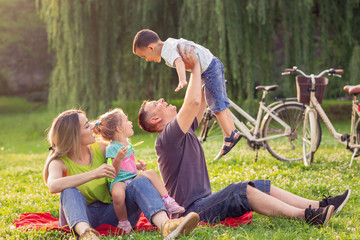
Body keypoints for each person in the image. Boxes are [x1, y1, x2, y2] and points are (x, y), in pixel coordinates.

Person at [137, 45, 351, 227]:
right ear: (155, 120)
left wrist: (205, 66)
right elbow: (191, 102)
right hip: (191, 213)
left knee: (259, 185)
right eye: (157, 104)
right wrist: (194, 68)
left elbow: (200, 99)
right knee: (239, 191)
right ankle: (309, 216)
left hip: (204, 202)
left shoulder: (181, 132)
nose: (163, 100)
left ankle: (319, 205)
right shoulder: (167, 138)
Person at [43, 109, 199, 240]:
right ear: (74, 135)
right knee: (69, 191)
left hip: (114, 214)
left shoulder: (102, 148)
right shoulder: (59, 162)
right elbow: (53, 185)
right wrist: (94, 173)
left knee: (140, 181)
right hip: (82, 217)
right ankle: (86, 235)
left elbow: (122, 168)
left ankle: (167, 225)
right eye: (86, 125)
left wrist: (136, 167)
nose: (92, 126)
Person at [133, 29, 242, 159]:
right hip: (212, 63)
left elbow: (179, 61)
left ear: (150, 48)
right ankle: (233, 131)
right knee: (221, 102)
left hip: (208, 69)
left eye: (144, 56)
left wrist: (182, 80)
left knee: (216, 105)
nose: (146, 60)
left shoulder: (166, 51)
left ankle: (229, 134)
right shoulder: (170, 43)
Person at [92, 108, 185, 233]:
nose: (131, 123)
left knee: (151, 173)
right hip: (119, 180)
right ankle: (123, 221)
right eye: (127, 120)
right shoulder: (112, 147)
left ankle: (168, 200)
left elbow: (128, 165)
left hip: (131, 176)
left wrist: (138, 167)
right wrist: (118, 158)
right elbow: (114, 171)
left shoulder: (128, 144)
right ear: (119, 129)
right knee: (117, 195)